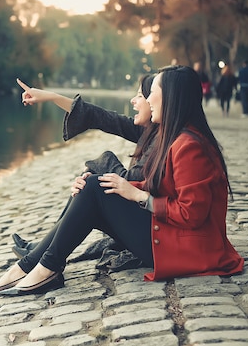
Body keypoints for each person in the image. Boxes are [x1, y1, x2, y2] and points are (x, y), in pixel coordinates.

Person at [0, 65, 244, 298]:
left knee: (95, 187)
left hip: (188, 250)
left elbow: (191, 214)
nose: (147, 99)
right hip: (168, 236)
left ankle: (45, 268)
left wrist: (136, 195)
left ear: (171, 98)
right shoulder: (169, 136)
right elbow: (154, 186)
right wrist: (121, 187)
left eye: (152, 93)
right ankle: (33, 265)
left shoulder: (189, 145)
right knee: (94, 183)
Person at [10, 74, 158, 272]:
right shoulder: (150, 132)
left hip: (154, 237)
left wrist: (101, 166)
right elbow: (100, 117)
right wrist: (52, 97)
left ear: (154, 101)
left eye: (140, 95)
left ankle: (43, 254)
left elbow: (132, 184)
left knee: (95, 176)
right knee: (92, 175)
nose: (133, 100)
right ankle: (43, 248)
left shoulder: (163, 140)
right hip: (144, 222)